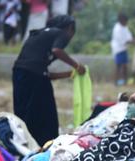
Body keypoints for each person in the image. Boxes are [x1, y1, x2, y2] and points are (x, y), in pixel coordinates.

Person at [12, 15, 86, 146]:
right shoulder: (60, 33)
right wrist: (76, 66)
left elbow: (43, 74)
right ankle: (45, 143)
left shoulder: (41, 35)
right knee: (46, 114)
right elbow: (57, 51)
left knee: (24, 112)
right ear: (70, 29)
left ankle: (24, 143)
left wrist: (68, 74)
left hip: (19, 73)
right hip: (34, 75)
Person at [111, 13, 134, 86]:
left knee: (125, 66)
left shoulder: (125, 27)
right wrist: (133, 41)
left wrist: (132, 40)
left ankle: (125, 81)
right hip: (118, 49)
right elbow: (122, 40)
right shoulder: (117, 29)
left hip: (124, 49)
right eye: (125, 21)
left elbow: (129, 37)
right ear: (121, 21)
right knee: (118, 66)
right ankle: (115, 82)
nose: (126, 23)